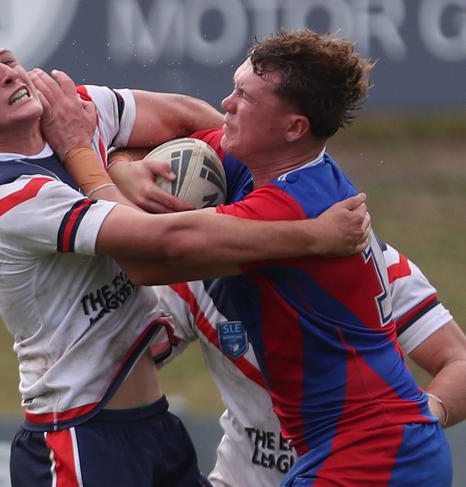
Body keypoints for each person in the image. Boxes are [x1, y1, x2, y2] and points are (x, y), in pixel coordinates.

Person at [0, 17, 370, 487]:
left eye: (7, 59)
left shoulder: (73, 108)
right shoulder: (9, 199)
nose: (10, 73)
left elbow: (187, 117)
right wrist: (311, 235)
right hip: (78, 438)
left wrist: (125, 162)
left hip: (155, 426)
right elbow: (158, 249)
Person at [44, 30, 453, 486]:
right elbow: (169, 127)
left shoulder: (297, 204)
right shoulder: (260, 164)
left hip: (373, 458)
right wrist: (125, 169)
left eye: (245, 97)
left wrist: (80, 152)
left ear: (294, 127)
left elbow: (146, 261)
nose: (227, 103)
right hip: (352, 451)